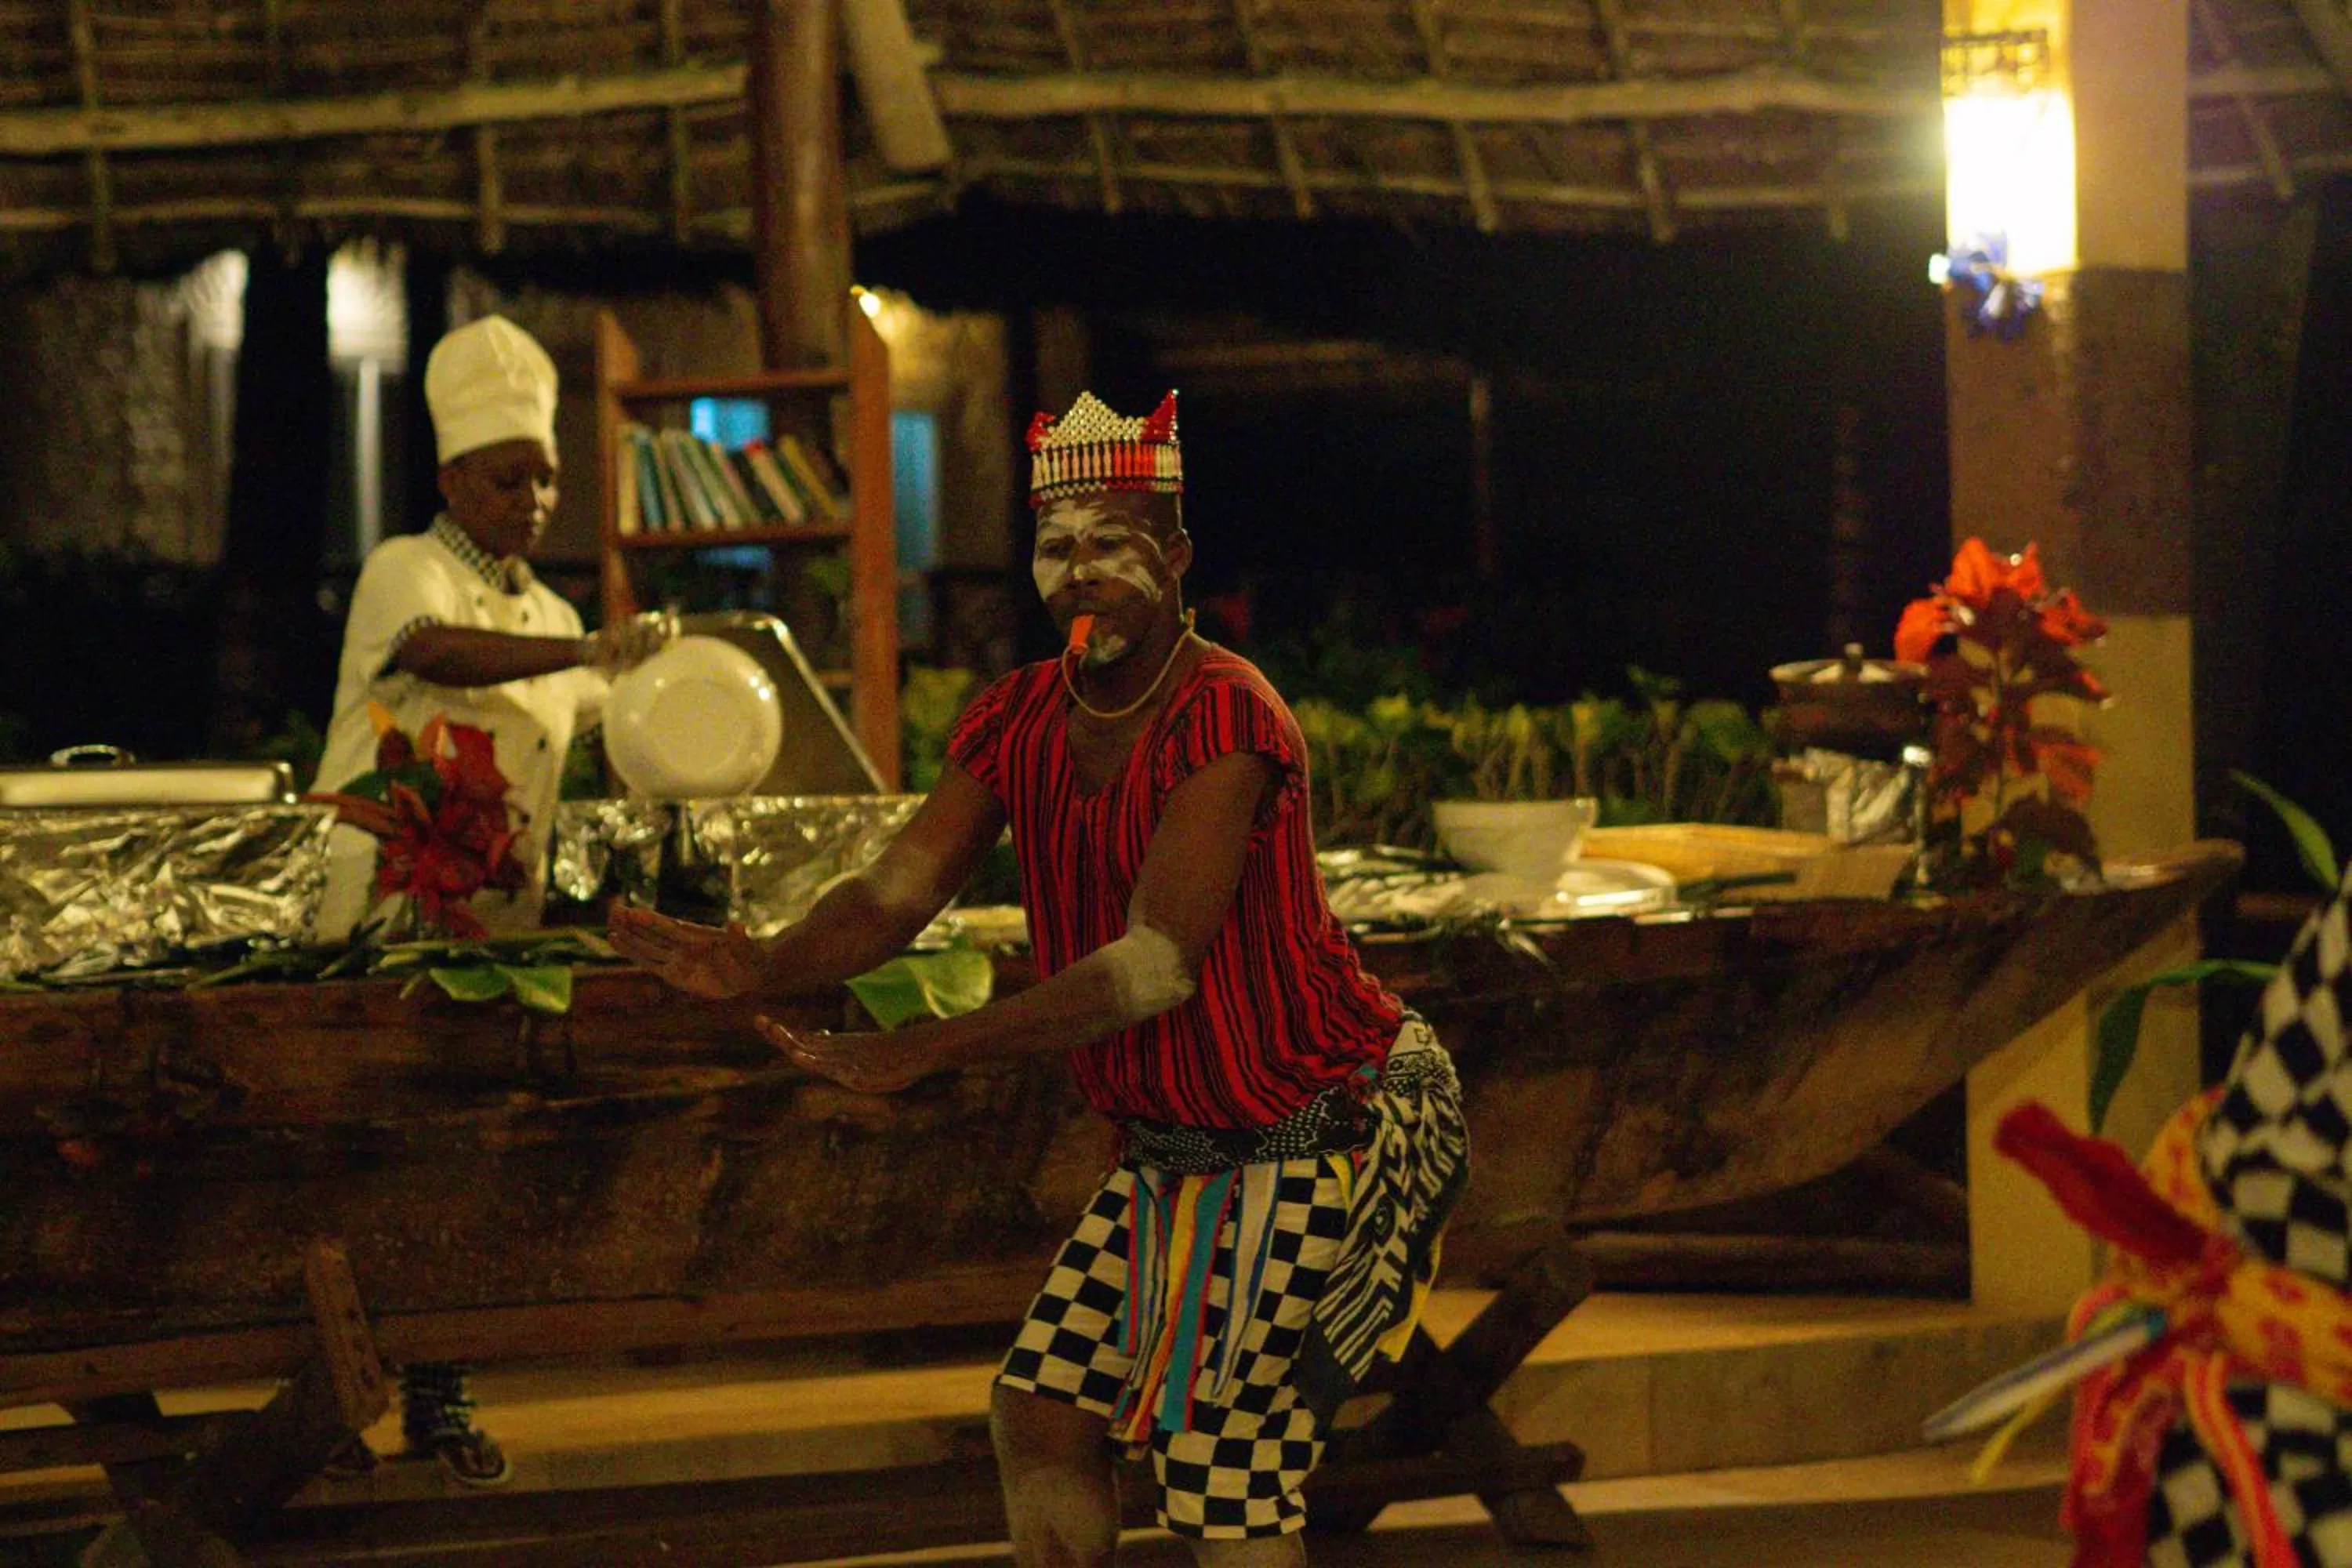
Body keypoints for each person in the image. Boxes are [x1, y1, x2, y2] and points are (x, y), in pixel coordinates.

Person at [611, 390, 1468, 1565]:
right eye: (1055, 550)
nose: (1080, 578)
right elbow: (893, 896)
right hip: (1173, 1150)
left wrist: (925, 1046)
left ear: (1175, 562)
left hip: (1316, 1135)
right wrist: (764, 961)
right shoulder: (1015, 716)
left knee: (1222, 1468)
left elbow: (1155, 966)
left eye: (1111, 549)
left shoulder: (1227, 714)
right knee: (1041, 1414)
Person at [313, 314, 673, 1486]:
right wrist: (588, 658)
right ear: (452, 476)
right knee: (362, 1167)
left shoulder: (559, 622)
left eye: (547, 479)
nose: (531, 500)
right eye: (509, 478)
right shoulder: (403, 573)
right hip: (381, 918)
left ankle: (440, 1398)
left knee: (458, 1168)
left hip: (492, 930)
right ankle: (321, 1409)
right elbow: (436, 655)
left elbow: (614, 742)